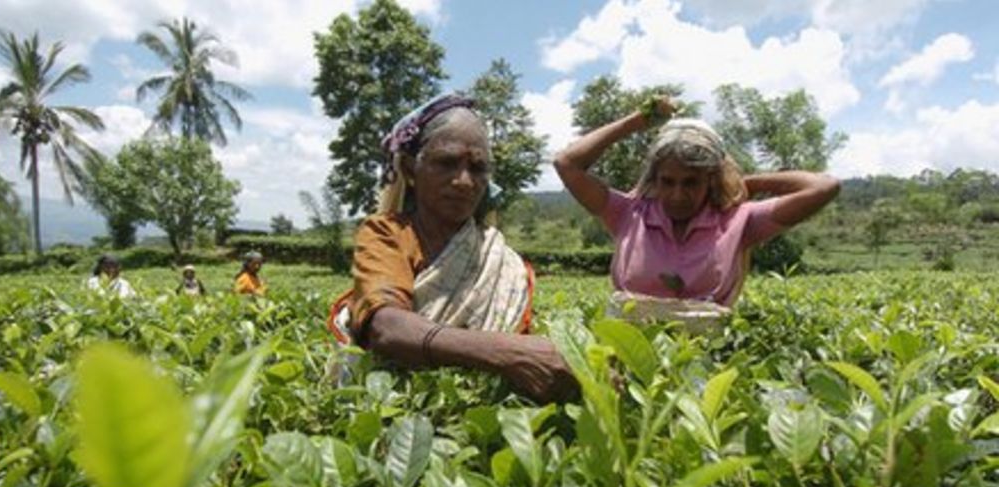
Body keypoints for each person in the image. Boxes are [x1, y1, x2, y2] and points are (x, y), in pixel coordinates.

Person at [328, 93, 575, 403]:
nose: (463, 181)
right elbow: (386, 327)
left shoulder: (502, 261)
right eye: (446, 163)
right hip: (390, 411)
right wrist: (506, 352)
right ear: (409, 169)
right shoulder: (388, 233)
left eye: (478, 168)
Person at [553, 96, 839, 327]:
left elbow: (824, 187)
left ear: (710, 180)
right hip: (629, 353)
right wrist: (640, 120)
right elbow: (567, 163)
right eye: (668, 182)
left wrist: (749, 182)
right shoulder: (629, 212)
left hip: (703, 359)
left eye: (691, 183)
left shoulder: (738, 221)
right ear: (655, 179)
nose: (678, 195)